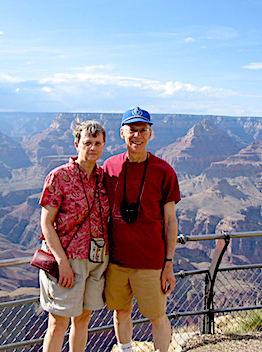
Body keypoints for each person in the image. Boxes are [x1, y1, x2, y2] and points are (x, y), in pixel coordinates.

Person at [103, 107, 181, 352]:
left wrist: (168, 264)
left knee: (157, 316)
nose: (137, 135)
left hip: (151, 263)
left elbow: (170, 221)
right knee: (121, 312)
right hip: (116, 261)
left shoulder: (164, 171)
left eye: (143, 130)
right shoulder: (109, 167)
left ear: (150, 134)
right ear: (122, 133)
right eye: (132, 130)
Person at [38, 120, 110, 352]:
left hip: (96, 261)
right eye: (88, 143)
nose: (93, 148)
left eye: (98, 143)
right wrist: (62, 262)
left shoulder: (103, 177)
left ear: (104, 145)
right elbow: (46, 223)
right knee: (57, 324)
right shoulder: (59, 176)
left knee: (83, 320)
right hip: (67, 260)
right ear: (77, 144)